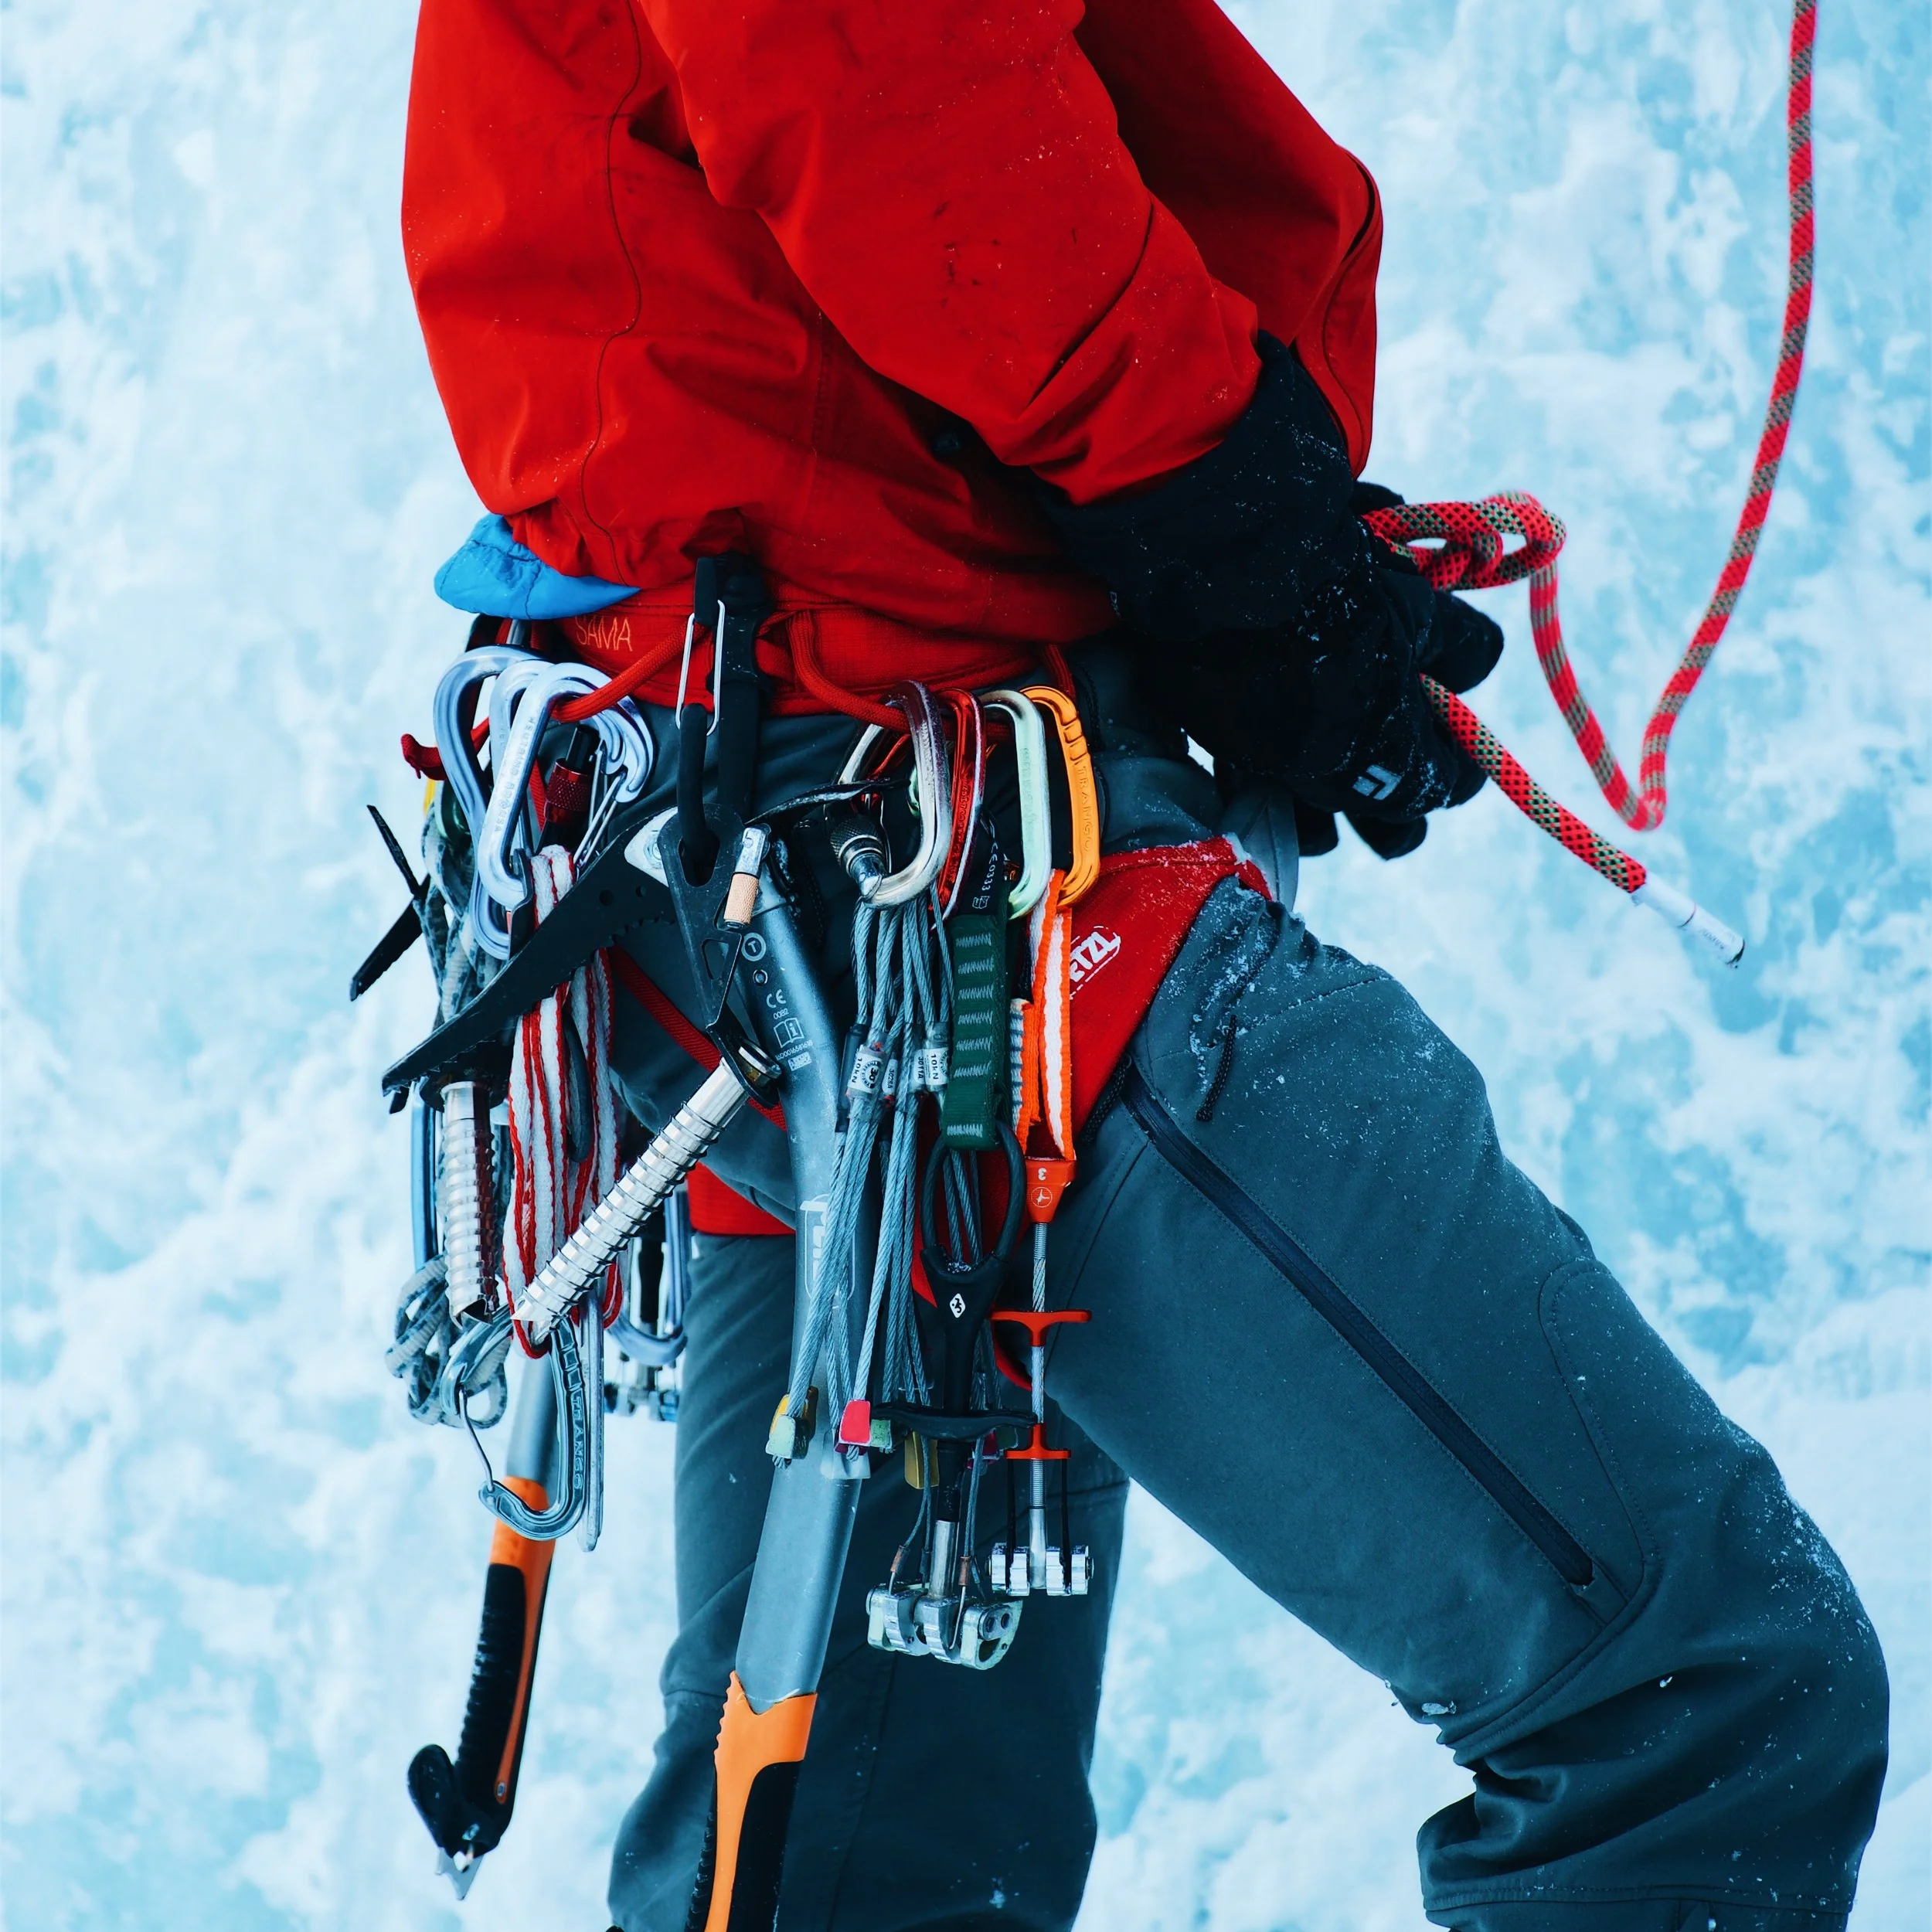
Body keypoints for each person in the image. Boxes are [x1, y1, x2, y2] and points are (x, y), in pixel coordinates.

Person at [398, 0, 1889, 1925]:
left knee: (874, 1846)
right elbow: (874, 68)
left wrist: (1217, 551)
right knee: (1701, 1699)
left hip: (803, 854)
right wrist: (1223, 509)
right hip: (933, 867)